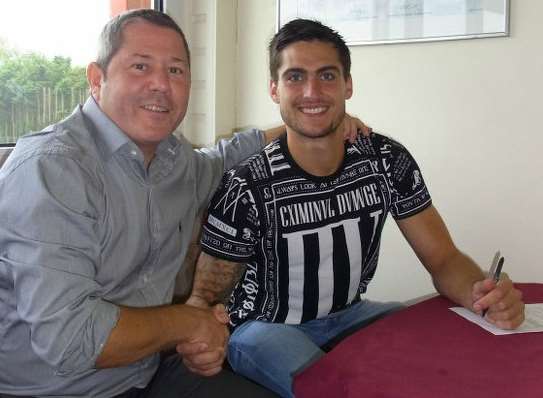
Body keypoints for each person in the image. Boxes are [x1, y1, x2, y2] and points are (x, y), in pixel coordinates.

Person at [0, 9, 364, 398]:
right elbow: (70, 341)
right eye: (140, 66)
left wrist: (311, 122)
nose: (160, 84)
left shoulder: (174, 160)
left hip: (148, 371)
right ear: (96, 78)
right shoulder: (52, 170)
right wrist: (190, 324)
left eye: (176, 71)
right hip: (52, 389)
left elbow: (227, 156)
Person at [187, 19, 525, 398]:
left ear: (348, 84)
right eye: (295, 77)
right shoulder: (245, 186)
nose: (312, 91)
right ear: (274, 89)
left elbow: (444, 259)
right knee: (343, 388)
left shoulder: (385, 159)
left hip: (353, 315)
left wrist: (484, 298)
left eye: (327, 76)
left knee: (455, 337)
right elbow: (206, 299)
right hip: (263, 328)